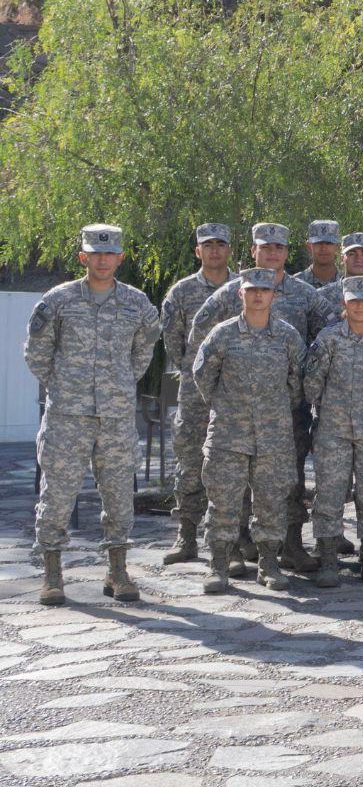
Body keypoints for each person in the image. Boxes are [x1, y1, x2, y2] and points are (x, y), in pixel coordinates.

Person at [25, 224, 163, 605]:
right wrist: (63, 384)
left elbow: (145, 348)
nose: (103, 260)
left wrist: (121, 381)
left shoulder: (136, 303)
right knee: (57, 494)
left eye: (110, 254)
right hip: (67, 416)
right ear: (83, 257)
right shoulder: (59, 300)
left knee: (119, 495)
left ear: (120, 258)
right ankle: (53, 575)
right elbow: (37, 353)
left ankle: (117, 571)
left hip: (116, 416)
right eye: (95, 254)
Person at [191, 267, 305, 593]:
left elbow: (297, 383)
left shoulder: (287, 337)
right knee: (223, 503)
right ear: (241, 293)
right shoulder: (222, 335)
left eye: (264, 290)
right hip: (229, 434)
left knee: (271, 502)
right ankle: (219, 565)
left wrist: (273, 411)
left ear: (274, 295)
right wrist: (227, 407)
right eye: (251, 290)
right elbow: (203, 377)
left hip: (273, 436)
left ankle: (269, 564)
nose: (258, 295)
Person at [301, 276, 363, 587]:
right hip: (333, 432)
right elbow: (312, 385)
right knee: (329, 496)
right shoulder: (328, 339)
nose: (359, 305)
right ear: (344, 302)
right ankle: (328, 561)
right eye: (353, 300)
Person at [159, 222, 234, 567]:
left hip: (234, 393)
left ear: (229, 249)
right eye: (208, 244)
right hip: (194, 396)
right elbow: (174, 345)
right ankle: (186, 535)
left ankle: (234, 542)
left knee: (234, 467)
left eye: (220, 244)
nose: (214, 250)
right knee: (190, 464)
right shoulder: (181, 292)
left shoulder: (244, 288)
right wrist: (194, 371)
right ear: (197, 251)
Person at [293, 220, 343, 288]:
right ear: (309, 246)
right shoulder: (294, 283)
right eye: (318, 243)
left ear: (337, 246)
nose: (323, 248)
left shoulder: (348, 284)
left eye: (329, 243)